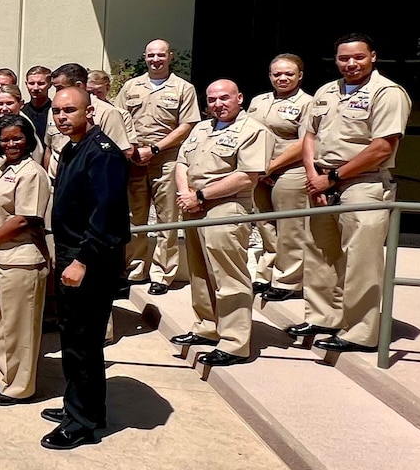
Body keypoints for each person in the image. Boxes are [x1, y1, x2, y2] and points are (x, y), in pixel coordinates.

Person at [291, 34, 411, 354]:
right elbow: (310, 136)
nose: (351, 64)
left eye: (358, 57)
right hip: (322, 181)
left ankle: (360, 331)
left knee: (361, 260)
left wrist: (332, 178)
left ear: (373, 56)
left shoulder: (387, 93)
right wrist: (313, 175)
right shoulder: (326, 91)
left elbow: (382, 147)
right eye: (344, 58)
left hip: (364, 183)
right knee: (320, 254)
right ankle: (323, 317)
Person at [43, 85, 130, 450]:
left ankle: (84, 422)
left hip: (90, 260)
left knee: (84, 341)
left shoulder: (103, 154)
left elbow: (106, 215)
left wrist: (81, 260)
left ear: (89, 112)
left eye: (70, 111)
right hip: (70, 253)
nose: (63, 117)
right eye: (58, 112)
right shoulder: (72, 149)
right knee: (72, 337)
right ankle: (75, 404)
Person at [171, 80, 271, 367]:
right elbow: (182, 163)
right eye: (212, 99)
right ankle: (207, 326)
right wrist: (186, 193)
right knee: (200, 272)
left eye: (224, 98)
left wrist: (200, 195)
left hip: (227, 207)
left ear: (240, 98)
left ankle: (234, 342)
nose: (218, 104)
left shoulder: (253, 130)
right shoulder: (202, 128)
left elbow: (246, 176)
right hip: (193, 205)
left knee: (229, 276)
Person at [0, 113, 53, 405]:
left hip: (19, 258)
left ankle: (21, 386)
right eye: (5, 139)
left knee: (20, 327)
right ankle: (3, 375)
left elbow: (24, 219)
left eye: (17, 138)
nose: (11, 144)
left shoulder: (31, 172)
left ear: (28, 139)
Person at [116, 40, 200, 294]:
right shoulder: (131, 87)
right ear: (145, 57)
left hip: (166, 161)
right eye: (151, 55)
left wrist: (154, 149)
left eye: (161, 55)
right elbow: (118, 118)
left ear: (170, 57)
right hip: (134, 161)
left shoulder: (183, 88)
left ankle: (162, 275)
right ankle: (135, 269)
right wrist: (131, 149)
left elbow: (186, 125)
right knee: (134, 217)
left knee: (167, 218)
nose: (156, 59)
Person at [246, 55, 315, 302]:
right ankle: (266, 275)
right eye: (277, 74)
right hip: (259, 172)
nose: (282, 78)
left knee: (290, 228)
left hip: (290, 171)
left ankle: (289, 280)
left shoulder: (308, 103)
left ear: (300, 76)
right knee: (265, 225)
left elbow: (305, 141)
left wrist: (272, 167)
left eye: (288, 74)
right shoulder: (258, 101)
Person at [23, 66, 54, 142]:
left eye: (41, 83)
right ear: (26, 84)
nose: (35, 88)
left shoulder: (55, 111)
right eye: (31, 83)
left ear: (50, 84)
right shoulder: (22, 112)